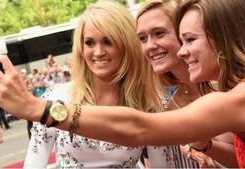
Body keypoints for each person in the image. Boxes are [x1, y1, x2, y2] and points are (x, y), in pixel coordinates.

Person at [0, 0, 245, 168]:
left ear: (222, 40)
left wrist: (39, 108)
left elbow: (136, 128)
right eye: (89, 42)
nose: (182, 51)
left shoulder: (233, 98)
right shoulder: (229, 95)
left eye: (189, 40)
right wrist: (205, 145)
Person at [23, 0, 157, 168]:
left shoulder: (147, 102)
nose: (98, 52)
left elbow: (160, 163)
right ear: (80, 47)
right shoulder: (56, 99)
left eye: (108, 41)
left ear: (127, 45)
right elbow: (33, 164)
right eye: (89, 43)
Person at [137, 0, 235, 167]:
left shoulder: (228, 89)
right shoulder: (161, 100)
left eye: (159, 33)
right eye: (142, 38)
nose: (149, 46)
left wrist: (206, 147)